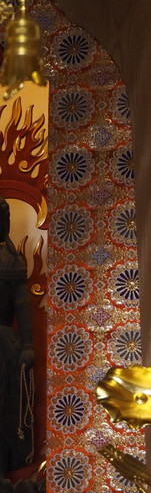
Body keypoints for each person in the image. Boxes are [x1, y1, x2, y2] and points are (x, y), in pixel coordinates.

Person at [0, 199, 34, 472]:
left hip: (4, 346)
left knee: (6, 410)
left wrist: (27, 344)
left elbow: (22, 305)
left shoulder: (11, 261)